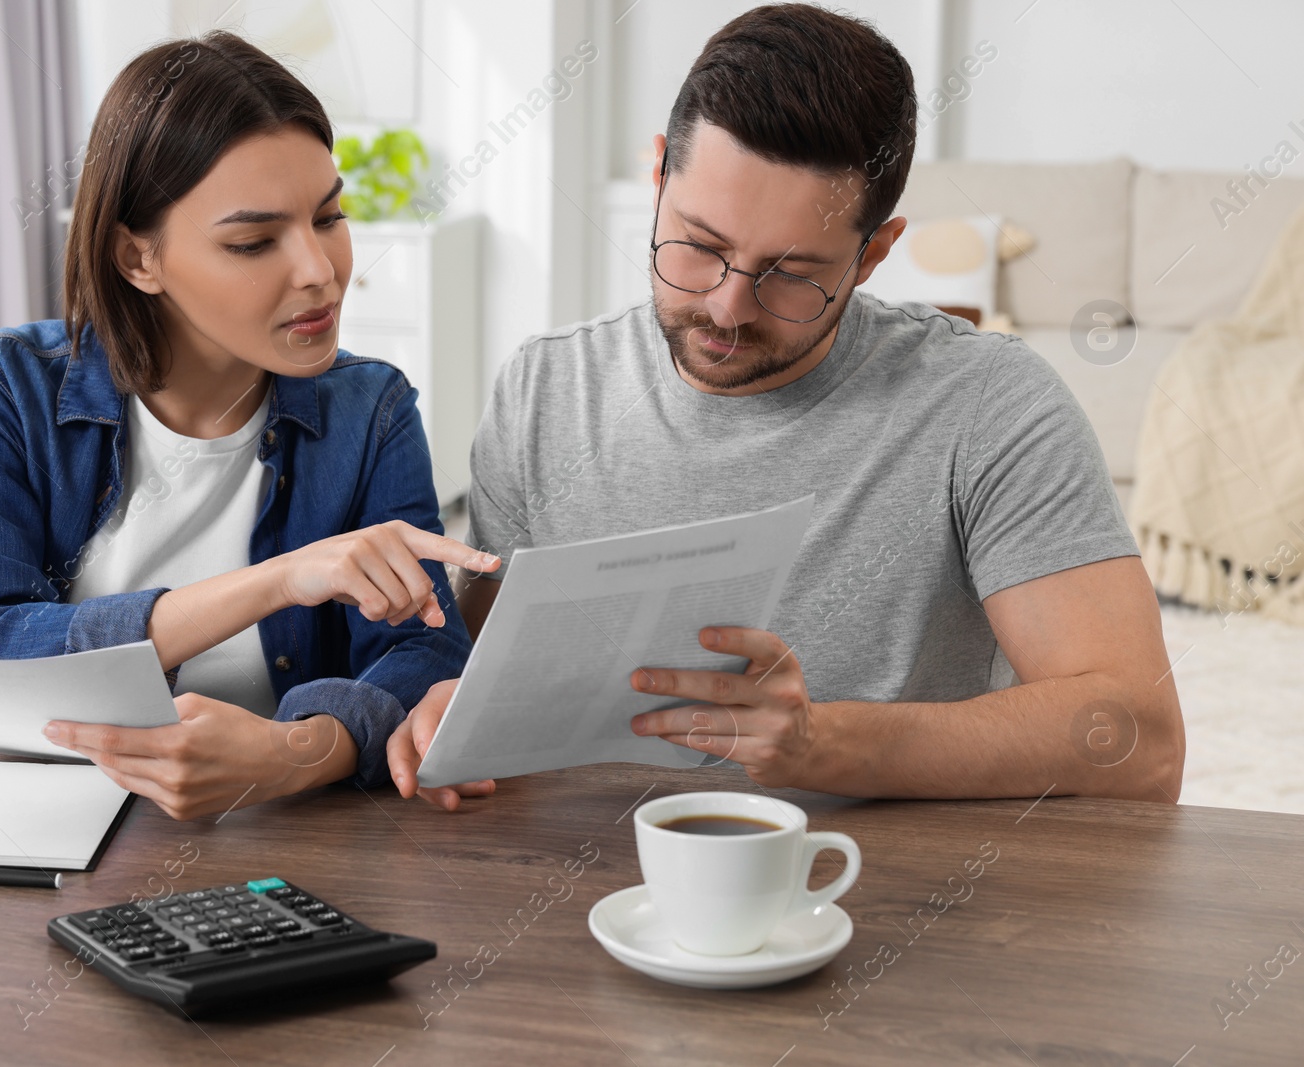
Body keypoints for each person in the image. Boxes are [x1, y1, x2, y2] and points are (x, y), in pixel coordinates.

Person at [389, 3, 1184, 809]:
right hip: (589, 888)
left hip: (883, 902)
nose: (729, 306)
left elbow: (1140, 739)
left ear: (873, 253)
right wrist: (447, 716)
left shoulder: (988, 404)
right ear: (658, 176)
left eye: (793, 272)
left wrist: (822, 743)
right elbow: (486, 687)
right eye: (699, 246)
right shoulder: (544, 390)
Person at [0, 31, 497, 820]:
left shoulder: (370, 411)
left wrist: (293, 753)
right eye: (254, 241)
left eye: (330, 217)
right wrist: (281, 578)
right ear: (136, 258)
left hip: (291, 838)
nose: (319, 270)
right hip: (50, 823)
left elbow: (421, 654)